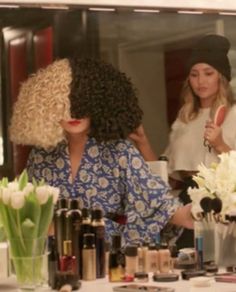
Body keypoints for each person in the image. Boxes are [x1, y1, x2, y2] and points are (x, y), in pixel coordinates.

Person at [9, 57, 193, 246]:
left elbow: (155, 200)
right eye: (64, 103)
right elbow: (28, 214)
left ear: (99, 103)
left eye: (83, 102)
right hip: (53, 259)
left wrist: (191, 214)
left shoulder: (119, 151)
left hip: (105, 257)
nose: (74, 113)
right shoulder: (41, 156)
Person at [132, 34, 236, 248]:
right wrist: (143, 143)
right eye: (194, 75)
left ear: (221, 77)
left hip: (221, 203)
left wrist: (220, 145)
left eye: (209, 73)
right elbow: (165, 177)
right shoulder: (185, 116)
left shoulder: (234, 114)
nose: (201, 81)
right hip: (187, 201)